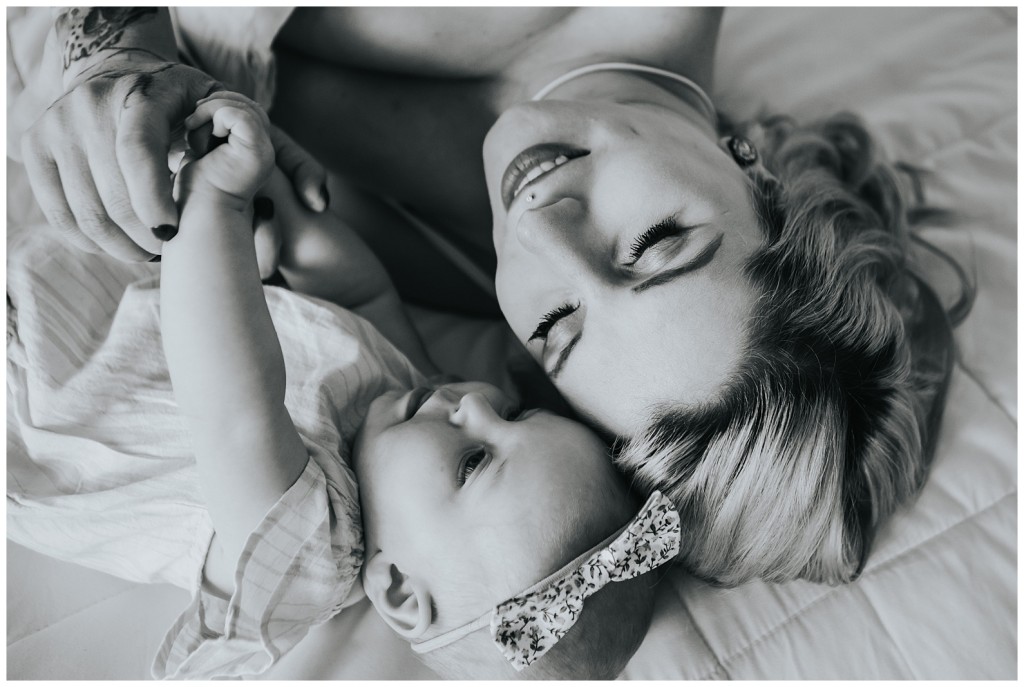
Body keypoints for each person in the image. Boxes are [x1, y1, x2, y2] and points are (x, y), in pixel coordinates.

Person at [13, 7, 970, 587]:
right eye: (657, 241)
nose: (542, 228)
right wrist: (115, 52)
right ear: (761, 180)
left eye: (561, 326)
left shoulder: (474, 327)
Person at [7, 93, 678, 679]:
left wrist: (220, 202)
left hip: (33, 383)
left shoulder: (314, 553)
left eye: (474, 461)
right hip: (76, 283)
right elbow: (358, 290)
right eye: (516, 411)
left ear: (398, 588)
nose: (473, 402)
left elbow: (229, 403)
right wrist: (287, 212)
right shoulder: (412, 402)